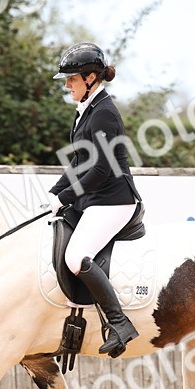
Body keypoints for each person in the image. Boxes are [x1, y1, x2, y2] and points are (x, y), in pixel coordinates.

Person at [48, 42, 142, 357]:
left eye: (71, 79)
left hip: (114, 200)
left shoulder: (103, 113)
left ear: (90, 77)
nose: (66, 85)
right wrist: (56, 192)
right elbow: (79, 163)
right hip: (94, 200)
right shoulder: (85, 113)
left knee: (76, 257)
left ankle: (119, 323)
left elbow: (102, 169)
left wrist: (67, 195)